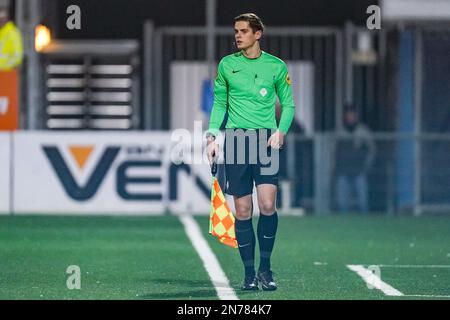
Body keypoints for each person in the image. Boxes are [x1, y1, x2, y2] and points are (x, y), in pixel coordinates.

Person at [206, 13, 295, 291]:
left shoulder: (276, 66)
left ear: (258, 34)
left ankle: (265, 269)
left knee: (268, 205)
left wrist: (281, 131)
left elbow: (289, 104)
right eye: (236, 31)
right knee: (243, 210)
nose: (238, 35)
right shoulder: (226, 65)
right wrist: (211, 136)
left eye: (243, 31)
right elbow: (220, 103)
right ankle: (248, 273)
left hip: (266, 142)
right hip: (236, 141)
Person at [335, 106, 375, 214]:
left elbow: (371, 151)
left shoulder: (363, 132)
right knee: (342, 203)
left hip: (359, 171)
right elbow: (334, 152)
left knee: (363, 202)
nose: (350, 118)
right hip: (343, 171)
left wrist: (366, 166)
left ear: (356, 116)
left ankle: (365, 224)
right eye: (348, 116)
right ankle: (344, 225)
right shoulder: (340, 132)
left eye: (352, 115)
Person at [0, 1, 23, 71]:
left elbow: (17, 57)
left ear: (6, 19)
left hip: (8, 73)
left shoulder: (13, 33)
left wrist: (3, 68)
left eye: (2, 19)